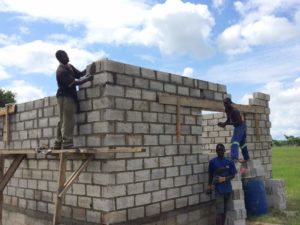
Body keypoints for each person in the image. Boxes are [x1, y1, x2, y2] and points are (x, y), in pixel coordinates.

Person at [53, 50, 93, 149]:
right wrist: (87, 79)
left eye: (66, 54)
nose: (67, 56)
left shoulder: (69, 67)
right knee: (68, 120)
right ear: (60, 58)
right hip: (64, 97)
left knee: (63, 120)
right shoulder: (61, 71)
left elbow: (79, 74)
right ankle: (67, 144)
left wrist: (88, 69)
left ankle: (57, 144)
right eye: (64, 56)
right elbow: (75, 82)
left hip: (69, 96)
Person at [207, 143, 237, 225]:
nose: (220, 152)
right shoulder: (213, 162)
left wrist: (224, 178)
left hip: (228, 190)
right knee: (219, 212)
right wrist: (209, 185)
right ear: (216, 151)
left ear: (224, 151)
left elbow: (233, 175)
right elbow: (210, 174)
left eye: (222, 150)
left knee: (225, 211)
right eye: (219, 150)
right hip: (219, 191)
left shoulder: (229, 161)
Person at [217, 97, 250, 161]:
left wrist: (226, 124)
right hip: (237, 127)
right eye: (224, 103)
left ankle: (234, 158)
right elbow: (228, 120)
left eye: (226, 103)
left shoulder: (235, 111)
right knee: (242, 144)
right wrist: (224, 123)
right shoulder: (227, 110)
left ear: (230, 103)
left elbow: (237, 122)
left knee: (234, 142)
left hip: (240, 126)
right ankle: (246, 158)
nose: (225, 105)